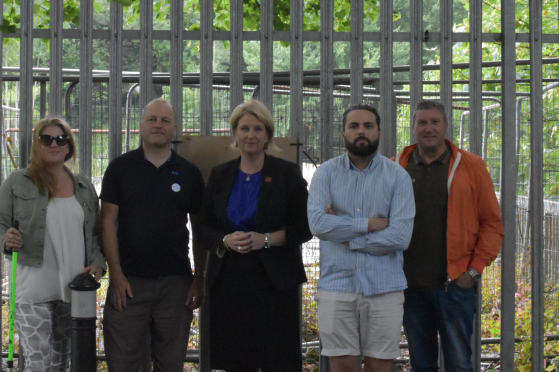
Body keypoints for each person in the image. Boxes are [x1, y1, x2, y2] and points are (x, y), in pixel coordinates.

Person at [197, 99, 312, 372]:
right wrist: (224, 241)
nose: (251, 135)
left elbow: (306, 225)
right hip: (229, 280)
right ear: (234, 134)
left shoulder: (286, 173)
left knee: (278, 360)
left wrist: (269, 239)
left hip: (276, 282)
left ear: (268, 135)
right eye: (244, 128)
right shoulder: (220, 174)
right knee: (236, 360)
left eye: (258, 129)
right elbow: (203, 226)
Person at [0, 116, 106, 372]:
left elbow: (96, 234)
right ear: (36, 144)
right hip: (32, 290)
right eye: (47, 139)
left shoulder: (84, 186)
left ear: (69, 146)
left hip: (73, 290)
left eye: (61, 139)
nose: (54, 144)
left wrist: (98, 262)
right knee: (37, 362)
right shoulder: (17, 182)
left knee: (61, 362)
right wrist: (5, 239)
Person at [396, 100, 504, 372]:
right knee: (421, 364)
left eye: (434, 122)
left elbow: (492, 224)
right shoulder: (397, 167)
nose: (428, 128)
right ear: (413, 128)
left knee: (458, 364)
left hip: (455, 286)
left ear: (446, 126)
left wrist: (473, 273)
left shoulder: (471, 166)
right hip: (410, 288)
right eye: (422, 122)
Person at [100, 98, 206, 372]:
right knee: (123, 363)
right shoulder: (119, 169)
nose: (158, 125)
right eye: (152, 119)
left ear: (174, 130)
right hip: (128, 284)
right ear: (140, 127)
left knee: (170, 363)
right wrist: (116, 275)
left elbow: (200, 228)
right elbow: (108, 221)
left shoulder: (189, 173)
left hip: (176, 285)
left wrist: (198, 279)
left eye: (165, 120)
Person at [307, 104, 415, 372]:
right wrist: (371, 224)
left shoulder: (398, 177)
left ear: (379, 131)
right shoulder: (326, 174)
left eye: (368, 125)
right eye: (354, 126)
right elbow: (318, 224)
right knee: (342, 366)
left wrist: (345, 235)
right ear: (343, 132)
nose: (361, 131)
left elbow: (400, 237)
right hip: (336, 286)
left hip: (385, 288)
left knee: (379, 366)